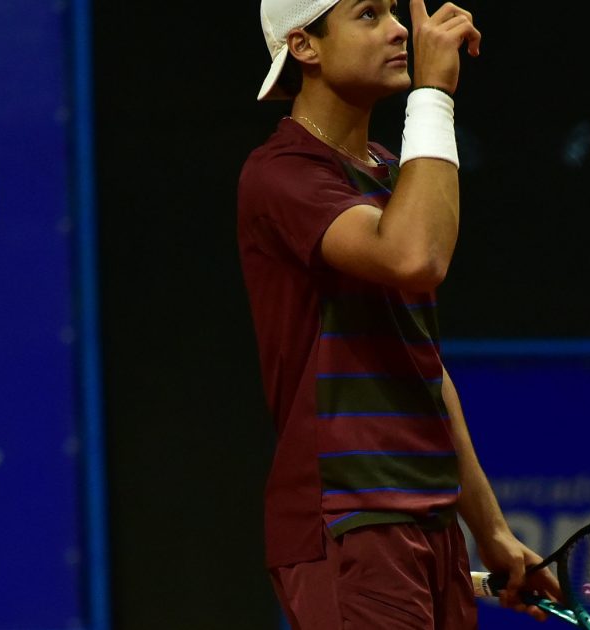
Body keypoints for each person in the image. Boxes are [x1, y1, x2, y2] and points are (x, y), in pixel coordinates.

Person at [237, 0, 559, 627]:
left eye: (392, 11)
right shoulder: (281, 174)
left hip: (429, 517)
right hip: (350, 514)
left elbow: (423, 368)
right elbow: (416, 257)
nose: (398, 31)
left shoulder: (389, 172)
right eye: (367, 15)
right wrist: (434, 94)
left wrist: (488, 528)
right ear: (305, 47)